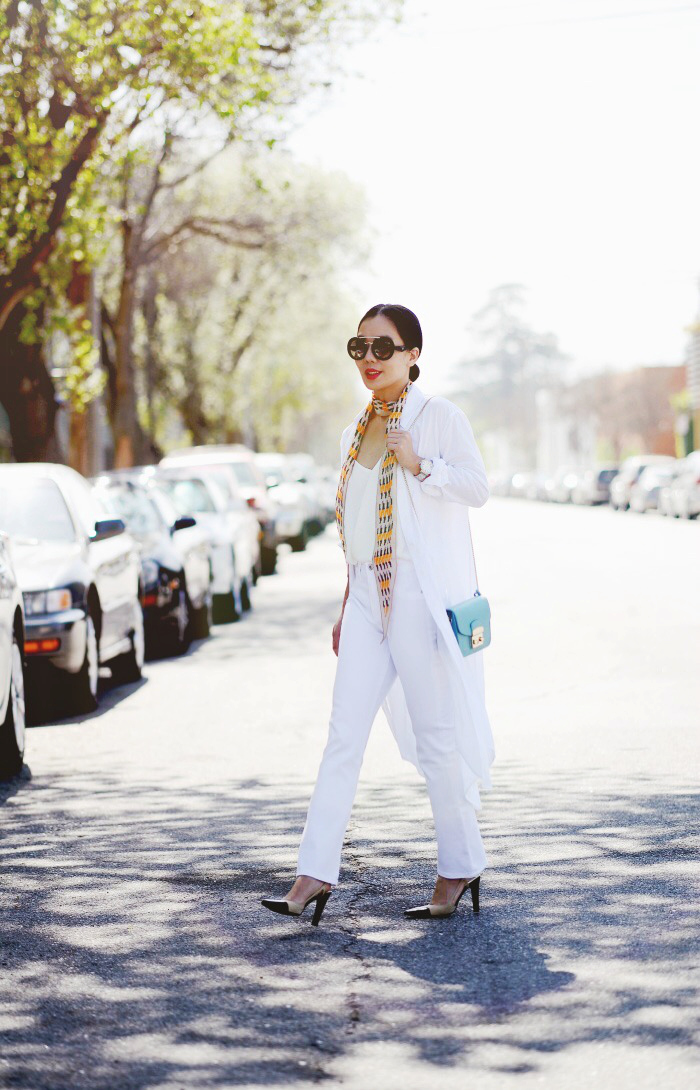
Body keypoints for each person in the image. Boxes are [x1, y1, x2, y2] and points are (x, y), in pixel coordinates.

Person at [261, 303, 495, 926]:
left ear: (413, 354)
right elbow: (356, 531)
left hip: (419, 595)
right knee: (343, 736)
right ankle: (313, 873)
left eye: (382, 348)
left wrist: (420, 463)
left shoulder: (438, 417)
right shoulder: (352, 433)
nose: (369, 359)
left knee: (437, 738)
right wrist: (346, 606)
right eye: (358, 347)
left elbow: (477, 487)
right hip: (367, 597)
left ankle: (458, 865)